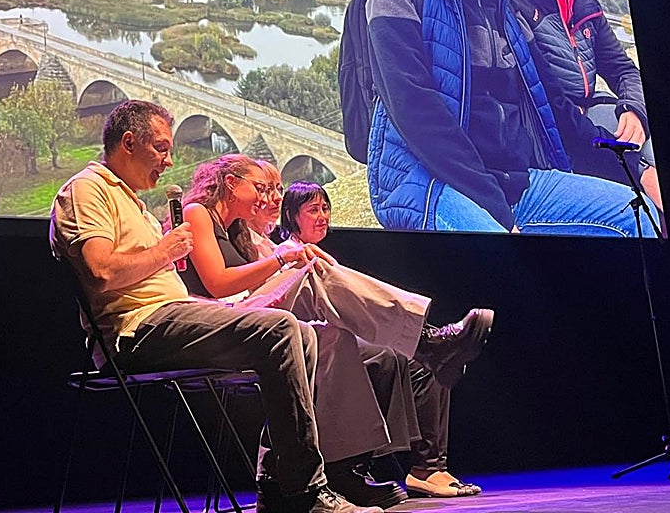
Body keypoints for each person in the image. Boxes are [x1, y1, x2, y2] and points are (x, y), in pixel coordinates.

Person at [49, 100, 380, 513]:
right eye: (161, 148)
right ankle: (306, 492)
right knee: (278, 329)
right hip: (136, 331)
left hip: (171, 315)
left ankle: (276, 486)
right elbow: (99, 272)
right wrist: (164, 250)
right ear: (129, 142)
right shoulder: (86, 189)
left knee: (306, 333)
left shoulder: (133, 201)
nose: (169, 161)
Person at [178, 154, 493, 502]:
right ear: (230, 183)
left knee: (335, 337)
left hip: (254, 316)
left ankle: (343, 470)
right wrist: (286, 260)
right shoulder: (197, 213)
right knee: (313, 271)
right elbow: (219, 283)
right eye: (260, 188)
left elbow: (255, 282)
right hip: (225, 319)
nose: (266, 197)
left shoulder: (238, 231)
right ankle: (427, 340)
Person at [365, 0, 659, 235]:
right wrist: (496, 211)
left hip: (514, 182)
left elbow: (555, 106)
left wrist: (635, 172)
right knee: (510, 271)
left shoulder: (504, 9)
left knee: (637, 218)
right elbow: (414, 107)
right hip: (431, 183)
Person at [280, 181, 482, 499]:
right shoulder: (288, 257)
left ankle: (429, 468)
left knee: (424, 363)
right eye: (313, 210)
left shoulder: (316, 256)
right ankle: (356, 466)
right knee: (394, 355)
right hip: (308, 340)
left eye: (325, 208)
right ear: (291, 216)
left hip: (333, 336)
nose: (322, 216)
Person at [499, 0, 661, 210]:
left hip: (591, 116)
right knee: (648, 194)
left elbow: (624, 70)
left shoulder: (583, 2)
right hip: (549, 135)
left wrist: (633, 111)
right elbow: (549, 104)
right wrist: (638, 171)